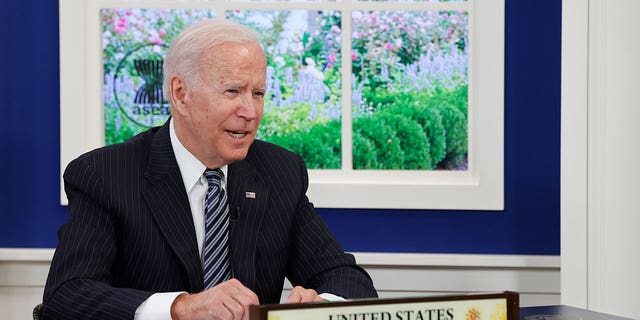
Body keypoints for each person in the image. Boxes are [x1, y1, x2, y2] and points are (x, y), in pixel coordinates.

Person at [42, 19, 377, 320]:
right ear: (180, 93)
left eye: (258, 93)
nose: (250, 111)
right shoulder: (104, 175)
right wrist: (181, 308)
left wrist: (322, 306)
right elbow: (66, 296)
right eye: (232, 91)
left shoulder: (280, 171)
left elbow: (346, 277)